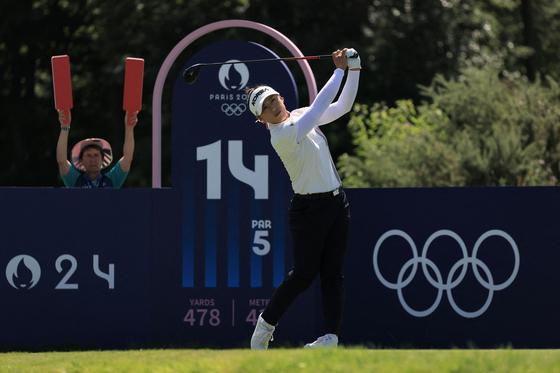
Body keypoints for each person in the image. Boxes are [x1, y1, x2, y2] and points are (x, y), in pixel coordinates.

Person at [248, 48, 361, 350]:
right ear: (260, 119)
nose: (273, 106)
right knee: (303, 275)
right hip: (308, 210)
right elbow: (317, 110)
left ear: (281, 98)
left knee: (333, 274)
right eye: (265, 106)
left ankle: (330, 338)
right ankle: (264, 327)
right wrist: (338, 71)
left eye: (274, 99)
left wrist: (355, 69)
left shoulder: (297, 116)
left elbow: (343, 105)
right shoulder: (281, 134)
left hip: (337, 204)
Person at [56, 109, 137, 188]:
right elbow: (61, 161)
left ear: (103, 159)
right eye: (88, 155)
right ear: (81, 161)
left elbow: (127, 159)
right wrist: (64, 127)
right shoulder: (75, 180)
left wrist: (129, 127)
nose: (93, 159)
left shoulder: (112, 179)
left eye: (96, 155)